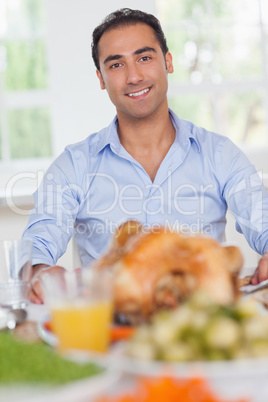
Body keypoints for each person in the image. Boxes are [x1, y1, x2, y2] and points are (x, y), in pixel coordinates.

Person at [22, 8, 268, 303]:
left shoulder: (220, 154)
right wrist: (38, 271)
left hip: (203, 326)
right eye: (116, 65)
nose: (134, 76)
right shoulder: (74, 166)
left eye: (144, 58)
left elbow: (262, 217)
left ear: (168, 62)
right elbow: (38, 241)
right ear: (101, 79)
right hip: (112, 335)